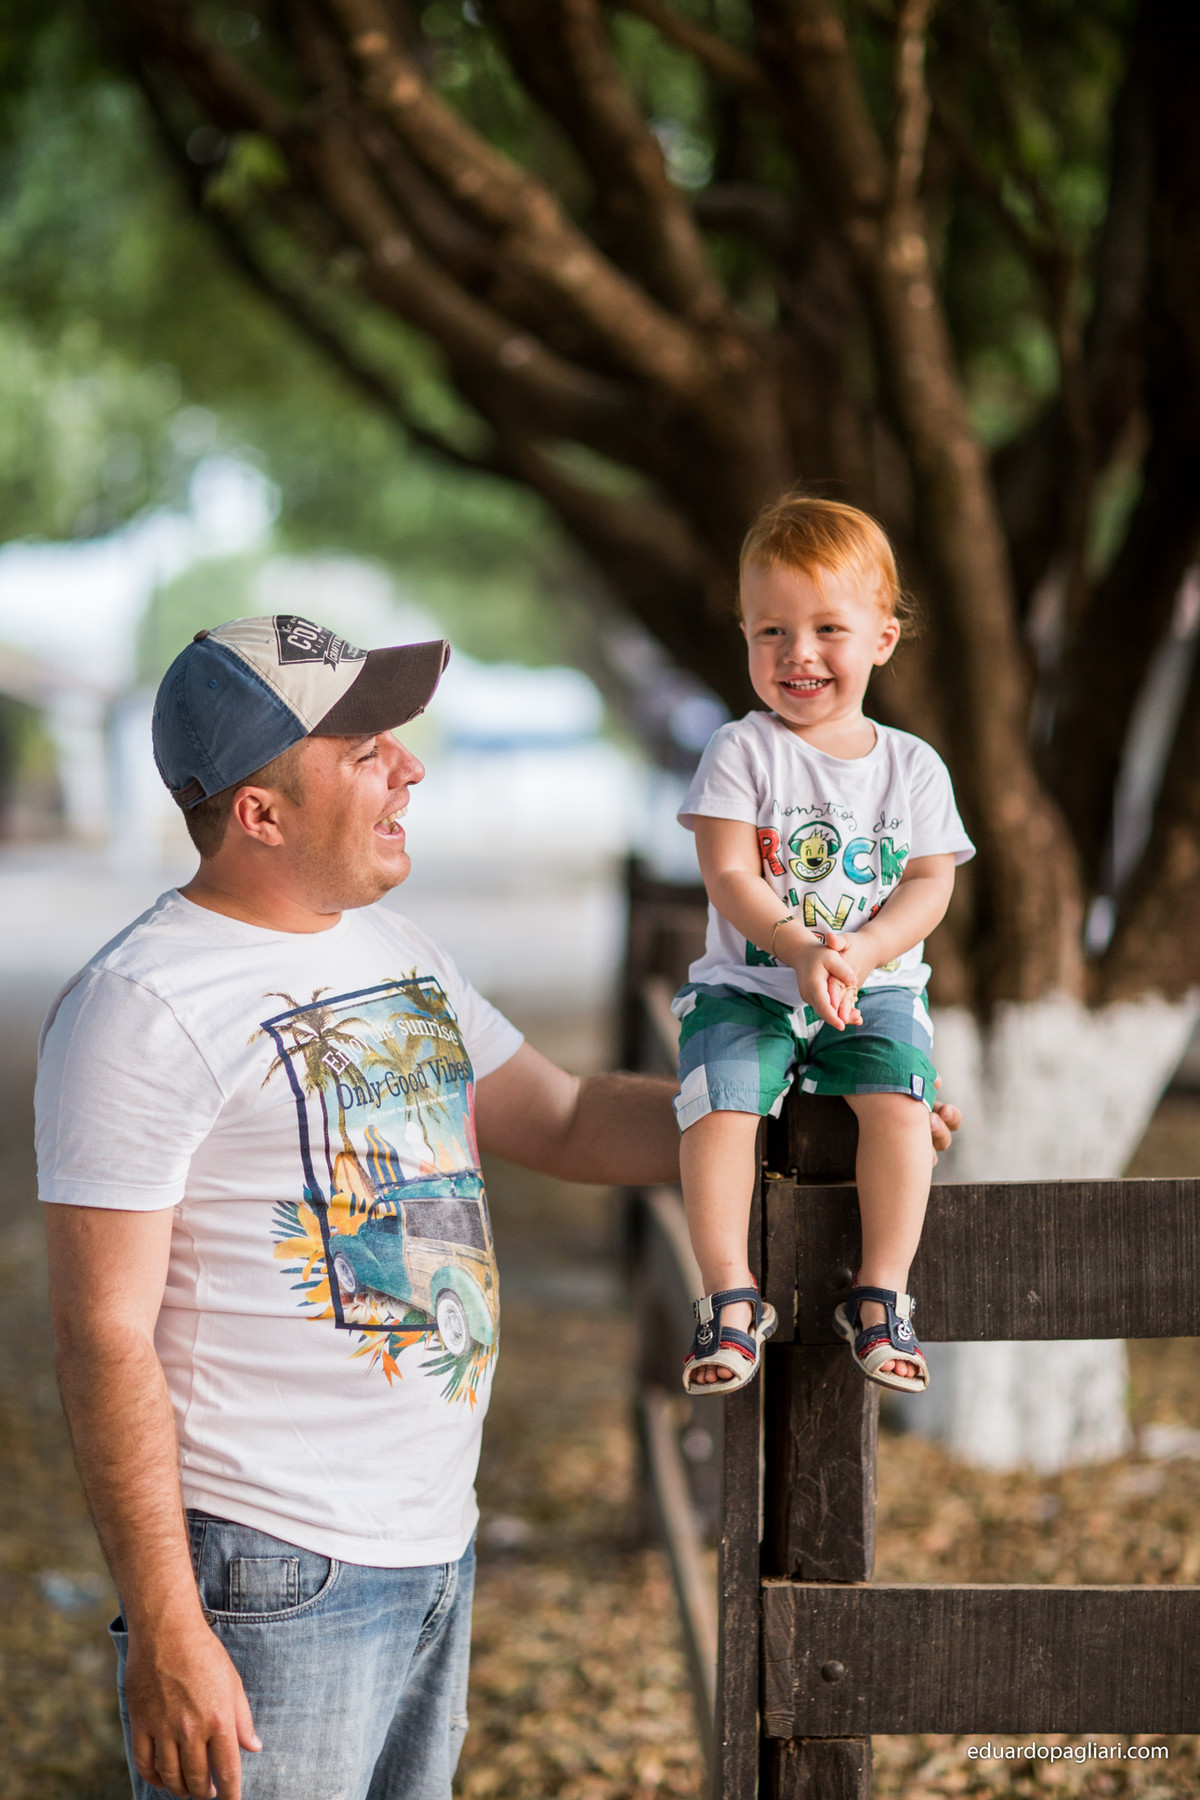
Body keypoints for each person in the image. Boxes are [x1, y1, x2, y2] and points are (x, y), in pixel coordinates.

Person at [36, 612, 959, 1800]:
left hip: (434, 1539)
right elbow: (101, 1328)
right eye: (364, 748)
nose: (408, 766)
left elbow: (566, 1120)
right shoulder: (139, 1007)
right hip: (265, 1568)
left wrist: (809, 1111)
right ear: (258, 811)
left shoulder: (392, 946)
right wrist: (168, 1626)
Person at [674, 495, 974, 1398]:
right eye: (772, 631)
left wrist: (867, 949)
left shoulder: (912, 766)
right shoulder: (740, 750)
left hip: (872, 986)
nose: (798, 653)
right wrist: (800, 946)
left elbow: (930, 880)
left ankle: (881, 1293)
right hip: (751, 984)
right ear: (744, 636)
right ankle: (729, 1293)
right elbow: (730, 872)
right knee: (720, 1106)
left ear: (884, 636)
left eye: (827, 628)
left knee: (898, 1107)